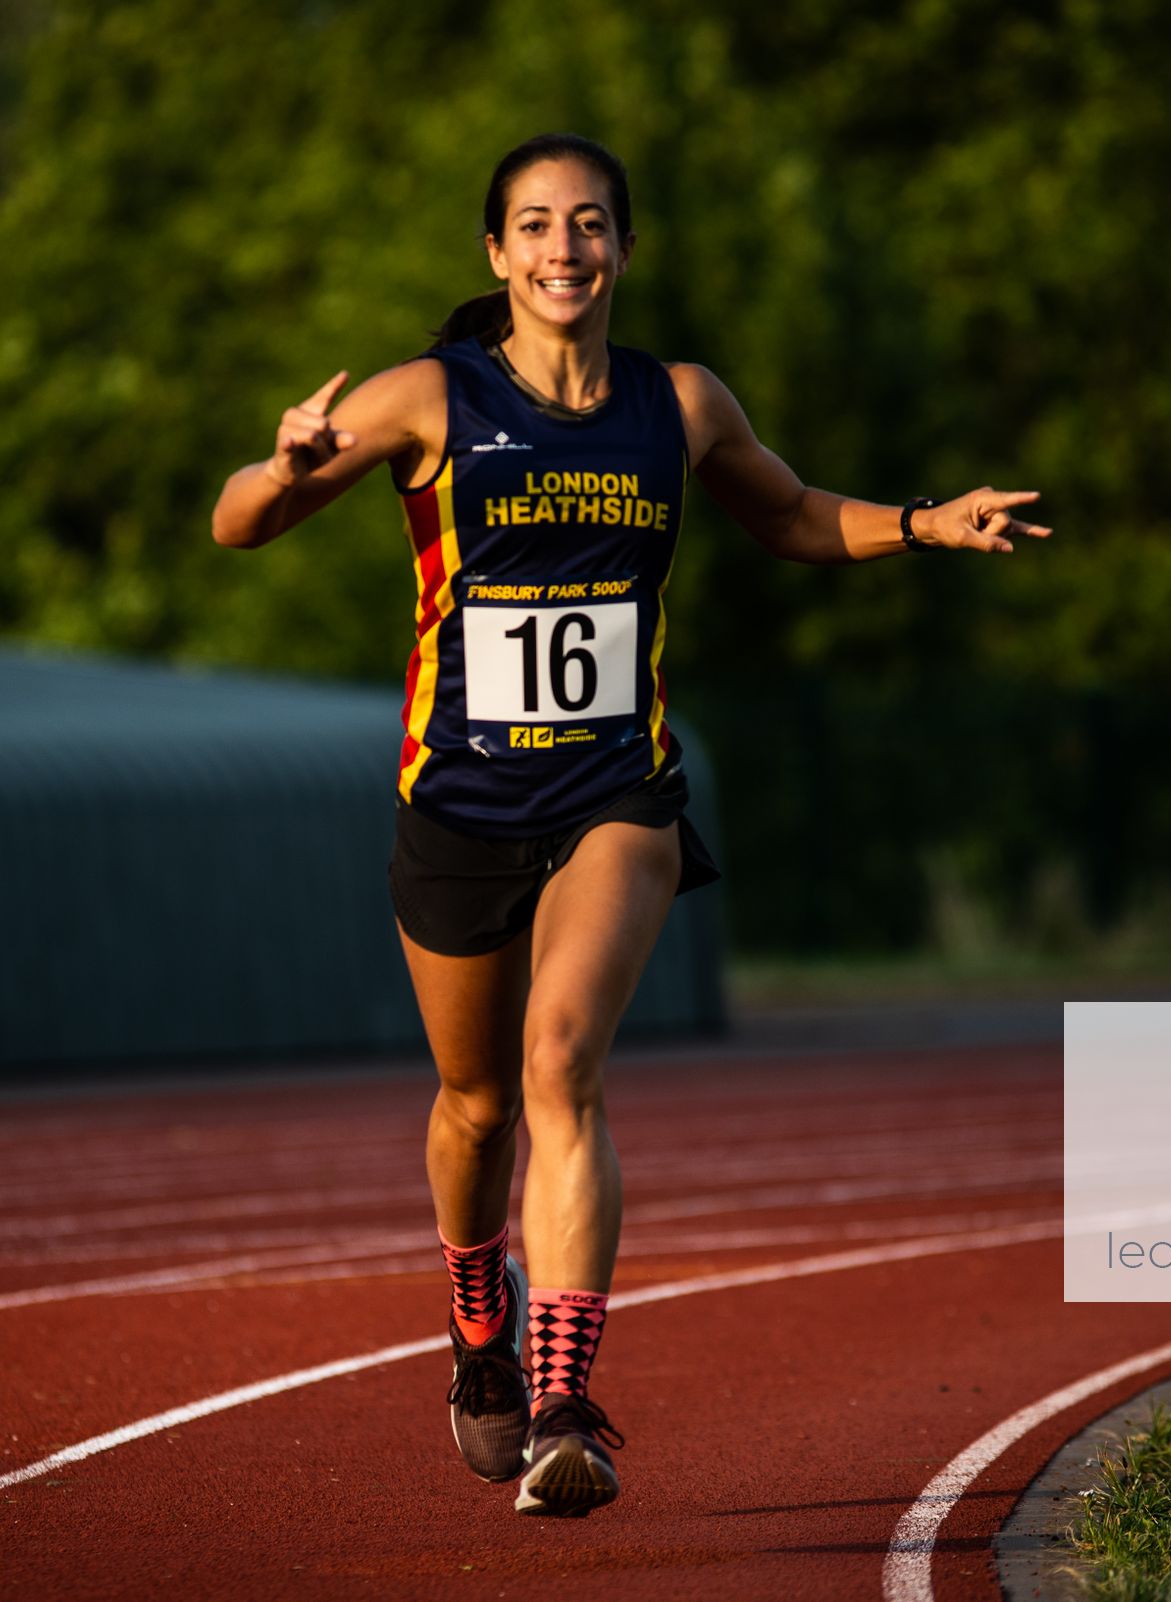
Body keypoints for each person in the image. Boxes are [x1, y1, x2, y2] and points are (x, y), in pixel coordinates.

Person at [211, 133, 1049, 1517]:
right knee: (475, 1108)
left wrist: (923, 522)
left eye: (590, 223)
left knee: (561, 1063)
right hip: (460, 801)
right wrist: (283, 465)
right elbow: (240, 526)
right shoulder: (431, 397)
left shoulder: (681, 402)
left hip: (616, 793)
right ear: (498, 253)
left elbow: (790, 514)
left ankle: (562, 1400)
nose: (566, 249)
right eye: (538, 225)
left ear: (625, 248)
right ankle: (477, 1306)